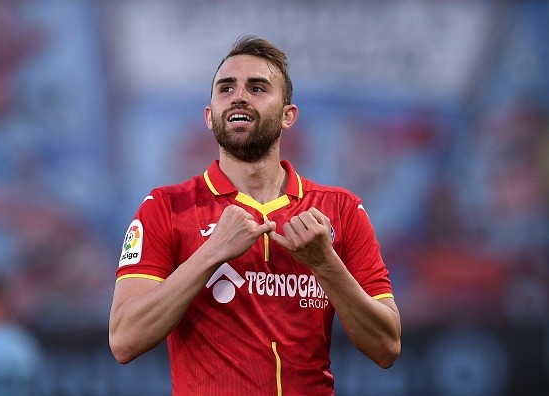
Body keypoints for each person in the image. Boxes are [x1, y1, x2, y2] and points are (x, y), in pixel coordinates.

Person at [109, 35, 401, 395]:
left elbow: (387, 347)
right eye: (226, 88)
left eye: (258, 87)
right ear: (209, 115)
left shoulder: (342, 209)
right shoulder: (164, 207)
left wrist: (325, 263)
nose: (239, 96)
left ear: (287, 116)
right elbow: (124, 339)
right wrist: (212, 252)